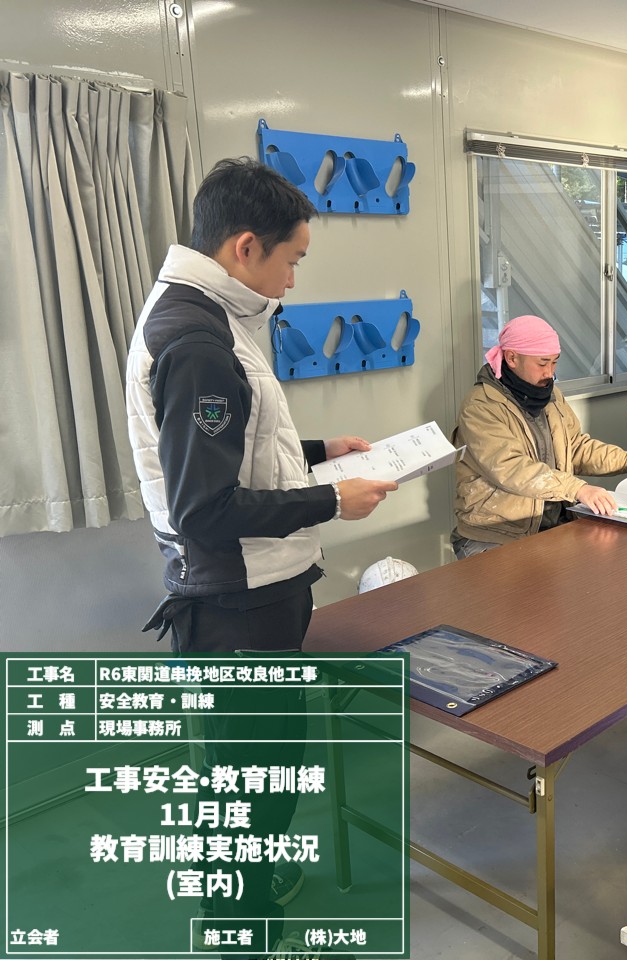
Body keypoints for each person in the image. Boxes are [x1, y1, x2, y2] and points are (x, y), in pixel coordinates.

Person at [125, 157, 396, 956]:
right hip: (235, 608)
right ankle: (243, 934)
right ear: (246, 247)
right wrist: (331, 501)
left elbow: (231, 450)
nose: (293, 279)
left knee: (263, 769)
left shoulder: (209, 316)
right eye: (292, 260)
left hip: (253, 598)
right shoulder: (198, 343)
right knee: (246, 788)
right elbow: (204, 510)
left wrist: (320, 452)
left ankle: (253, 894)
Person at [452, 315, 627, 557]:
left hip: (552, 526)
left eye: (554, 362)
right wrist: (578, 489)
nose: (550, 372)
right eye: (542, 363)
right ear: (512, 358)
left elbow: (575, 448)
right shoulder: (481, 406)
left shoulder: (550, 396)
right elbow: (511, 468)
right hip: (496, 533)